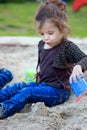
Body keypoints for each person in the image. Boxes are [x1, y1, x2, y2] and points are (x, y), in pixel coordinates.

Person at [0, 0, 87, 119]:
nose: (46, 37)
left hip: (58, 91)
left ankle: (4, 109)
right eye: (42, 33)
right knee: (18, 87)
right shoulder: (42, 44)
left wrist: (78, 66)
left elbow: (84, 58)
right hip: (42, 84)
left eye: (50, 33)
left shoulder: (67, 47)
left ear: (63, 29)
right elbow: (45, 63)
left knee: (27, 93)